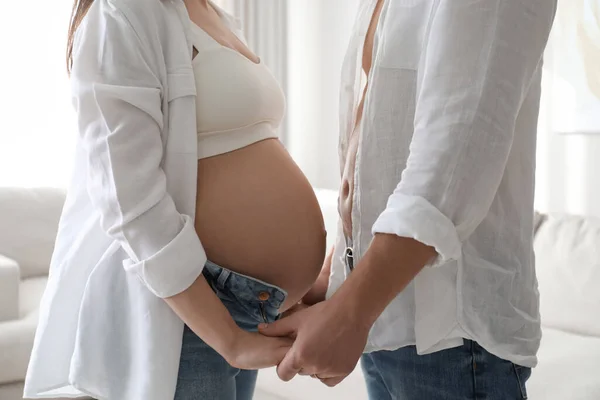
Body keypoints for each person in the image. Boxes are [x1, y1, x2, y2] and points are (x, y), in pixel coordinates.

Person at [24, 0, 326, 399]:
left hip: (251, 305)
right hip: (193, 313)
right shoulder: (122, 13)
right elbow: (129, 201)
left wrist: (291, 289)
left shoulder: (214, 15)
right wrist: (229, 339)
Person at [259, 0, 558, 398]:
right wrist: (333, 279)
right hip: (390, 322)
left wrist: (351, 311)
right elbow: (379, 158)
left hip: (450, 339)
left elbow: (450, 169)